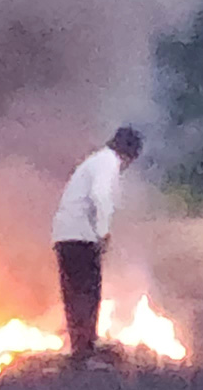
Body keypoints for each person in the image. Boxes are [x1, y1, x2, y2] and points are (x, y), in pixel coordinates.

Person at [51, 126, 144, 365]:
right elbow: (101, 195)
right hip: (81, 236)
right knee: (87, 291)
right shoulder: (107, 163)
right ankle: (85, 349)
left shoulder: (95, 161)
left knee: (74, 292)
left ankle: (80, 348)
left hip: (65, 235)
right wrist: (104, 231)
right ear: (128, 154)